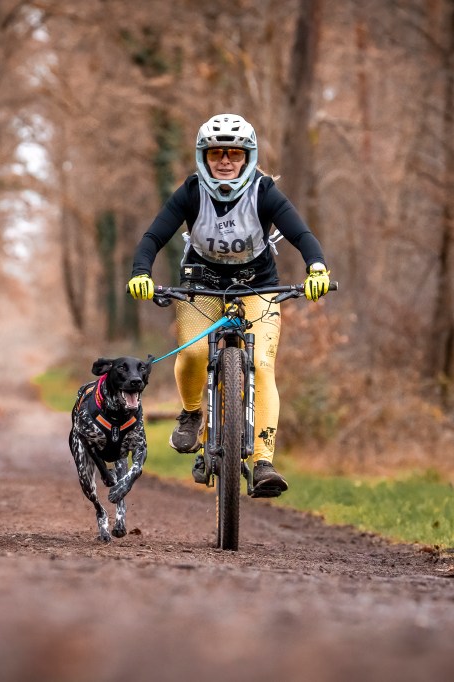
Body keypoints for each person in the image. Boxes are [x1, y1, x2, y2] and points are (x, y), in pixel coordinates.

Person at [126, 113, 330, 498]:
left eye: (234, 153)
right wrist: (141, 273)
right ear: (203, 156)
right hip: (201, 285)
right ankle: (191, 414)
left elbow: (302, 233)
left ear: (247, 156)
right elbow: (153, 237)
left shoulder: (264, 191)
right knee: (194, 352)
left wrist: (316, 267)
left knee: (262, 365)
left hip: (258, 287)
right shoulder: (191, 192)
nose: (224, 161)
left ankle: (264, 462)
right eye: (216, 153)